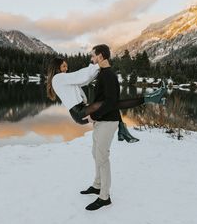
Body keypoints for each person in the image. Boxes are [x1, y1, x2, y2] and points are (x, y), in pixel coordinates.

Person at [47, 45, 167, 211]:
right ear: (57, 68)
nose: (66, 68)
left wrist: (99, 69)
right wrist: (96, 66)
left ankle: (99, 187)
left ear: (100, 55)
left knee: (109, 113)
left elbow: (83, 80)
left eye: (67, 66)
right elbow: (81, 76)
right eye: (63, 66)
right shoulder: (58, 78)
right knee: (113, 103)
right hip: (80, 112)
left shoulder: (65, 79)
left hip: (82, 110)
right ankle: (146, 101)